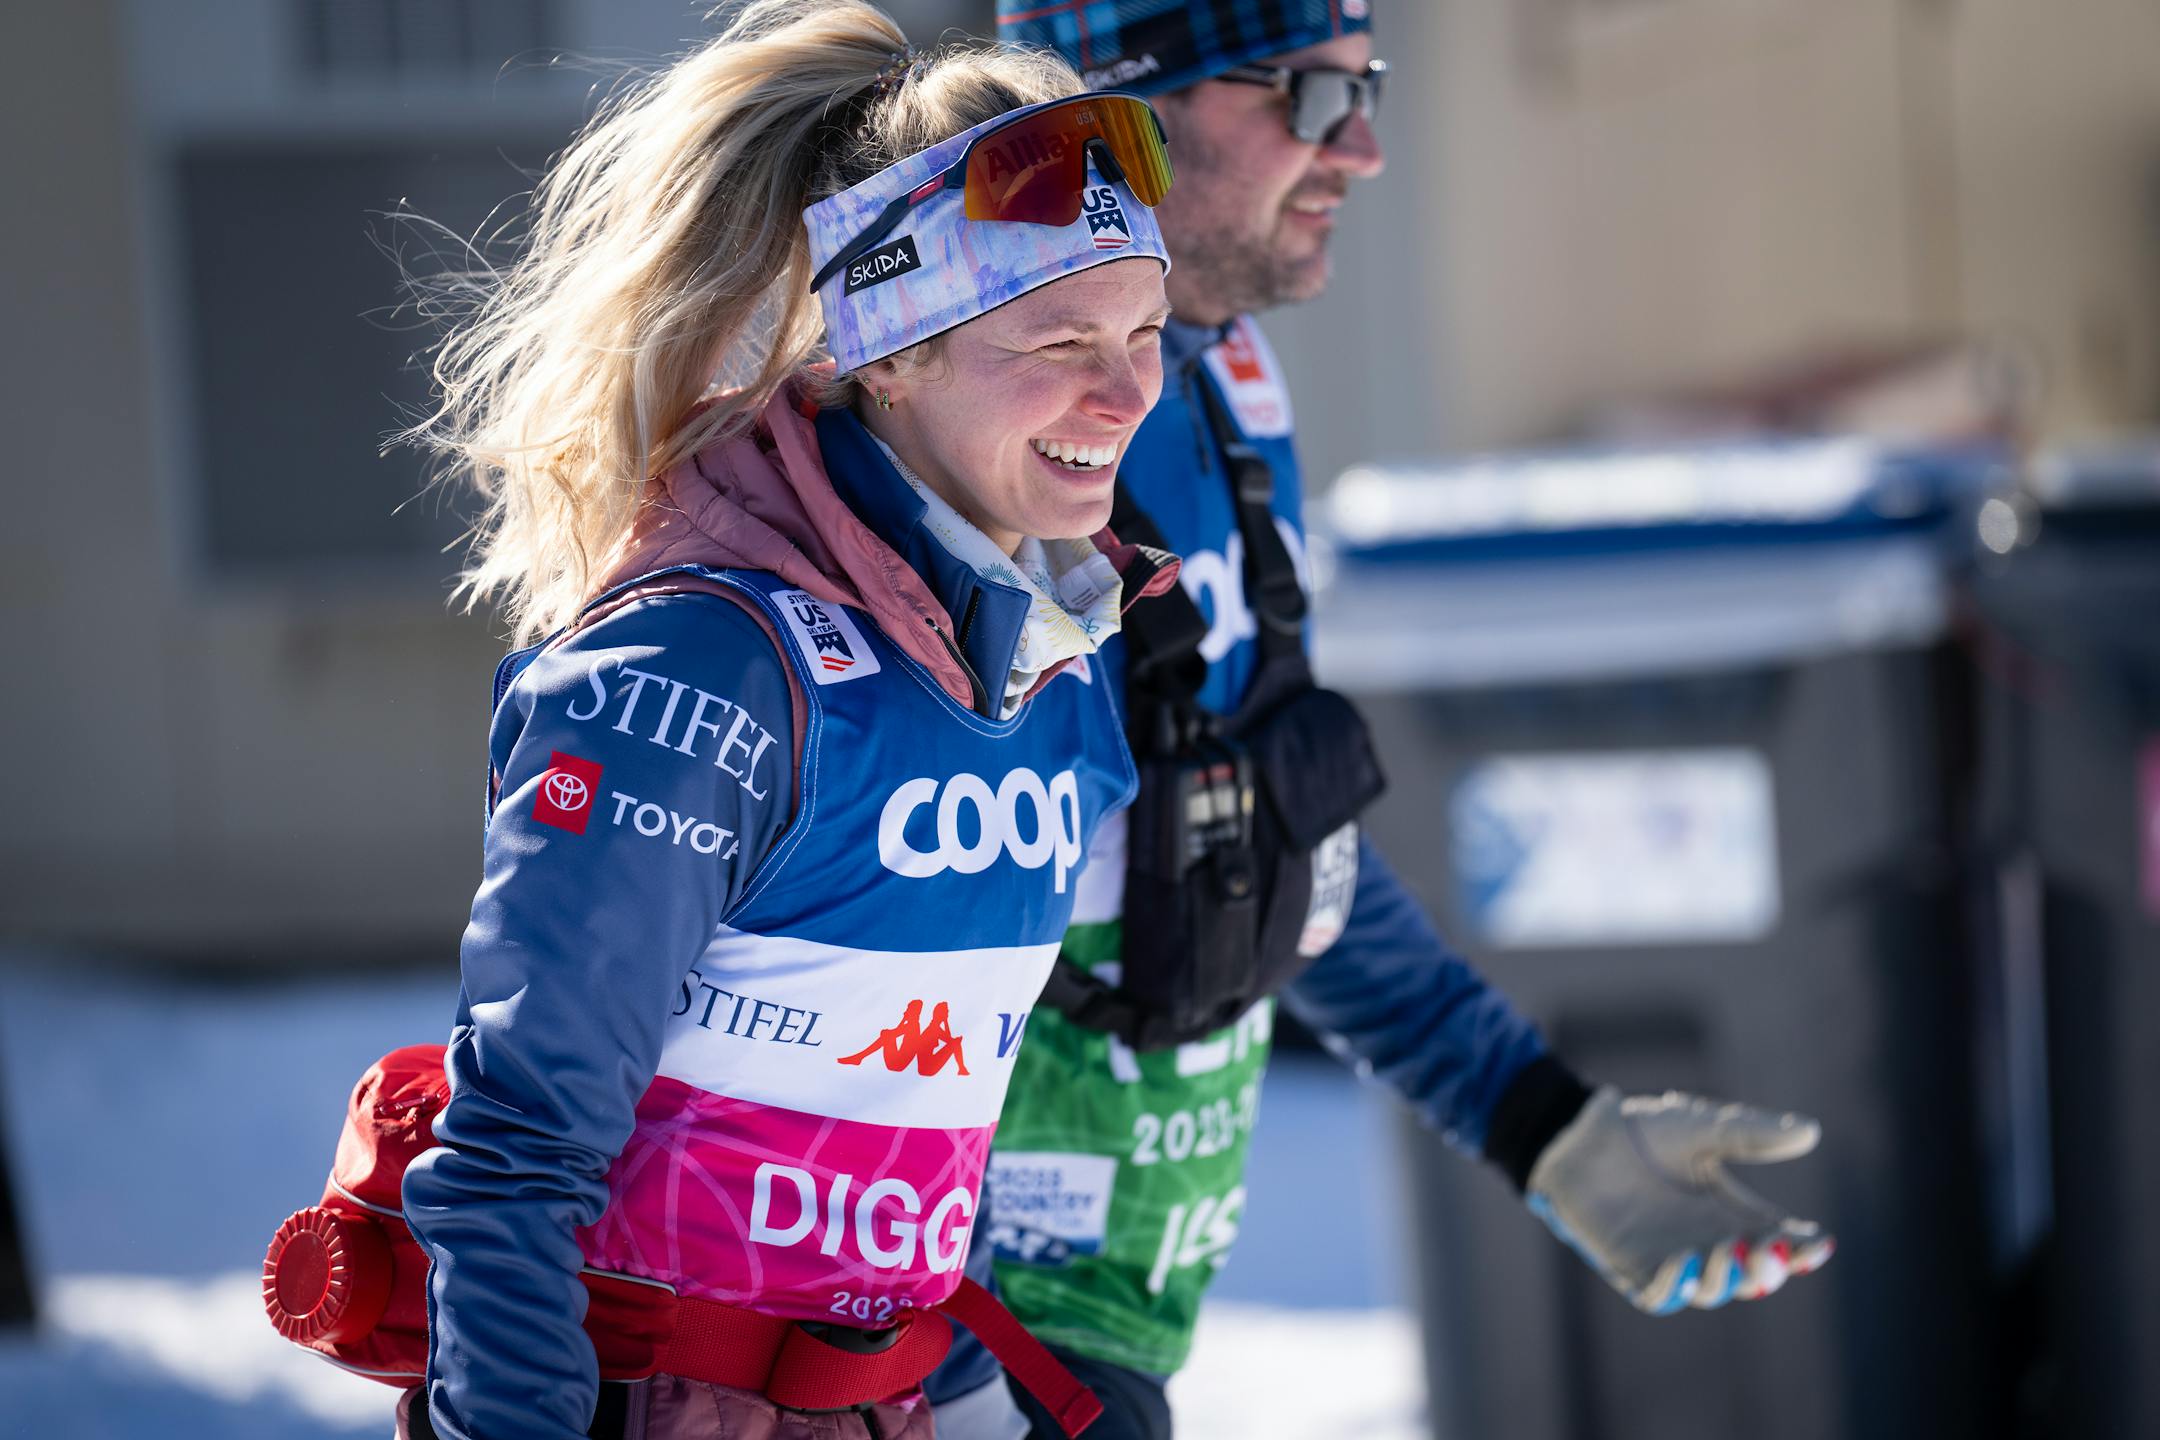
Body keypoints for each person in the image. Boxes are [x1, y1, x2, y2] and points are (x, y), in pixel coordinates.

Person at [922, 4, 1836, 1436]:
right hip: (950, 1339)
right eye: (1304, 97)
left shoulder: (1224, 378)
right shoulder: (973, 438)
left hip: (1102, 1314)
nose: (1362, 149)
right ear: (1120, 110)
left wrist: (1539, 1119)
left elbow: (1252, 837)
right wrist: (922, 1371)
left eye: (1369, 91)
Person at [391, 5, 1192, 1436]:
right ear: (890, 354)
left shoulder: (1049, 666)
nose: (1128, 390)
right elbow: (512, 1156)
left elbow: (924, 1135)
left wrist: (976, 1406)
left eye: (1145, 331)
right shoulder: (704, 670)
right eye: (1061, 336)